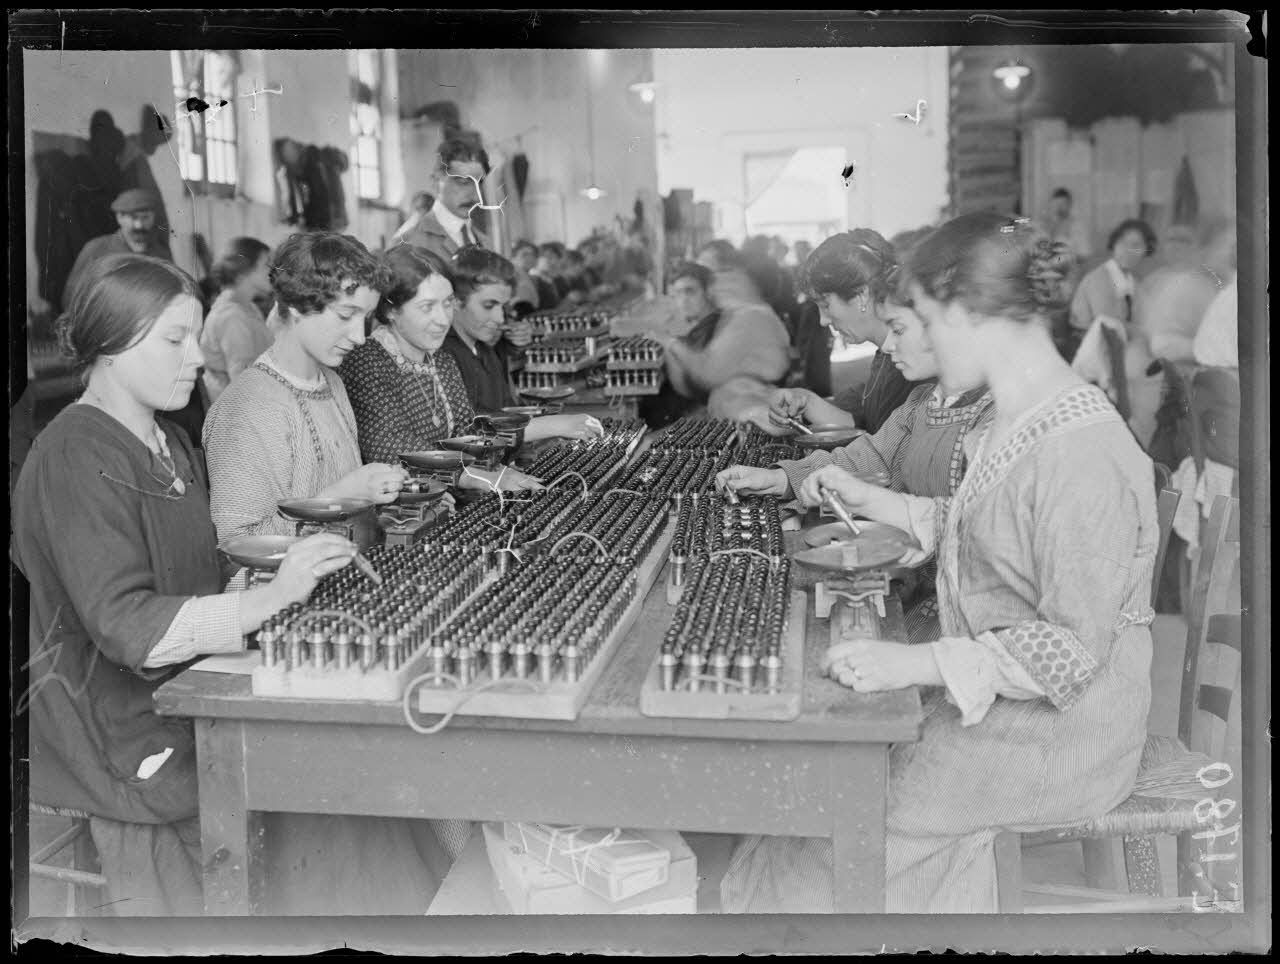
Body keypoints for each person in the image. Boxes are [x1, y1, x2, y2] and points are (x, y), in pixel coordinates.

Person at [719, 212, 1157, 915]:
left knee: (824, 848)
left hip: (1059, 736)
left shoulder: (1081, 451)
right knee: (809, 805)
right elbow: (975, 529)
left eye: (918, 317)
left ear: (965, 312)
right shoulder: (1001, 421)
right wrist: (870, 496)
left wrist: (916, 665)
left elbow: (1073, 650)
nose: (901, 343)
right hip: (996, 702)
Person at [13, 253, 443, 915]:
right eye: (175, 340)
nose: (197, 357)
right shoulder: (75, 455)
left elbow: (204, 573)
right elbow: (130, 629)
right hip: (120, 731)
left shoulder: (168, 444)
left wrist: (299, 555)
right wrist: (268, 597)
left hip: (188, 696)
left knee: (361, 788)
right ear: (111, 342)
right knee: (330, 807)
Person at [202, 232, 411, 544]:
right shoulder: (245, 409)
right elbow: (239, 544)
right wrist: (343, 496)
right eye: (345, 315)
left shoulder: (332, 382)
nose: (359, 336)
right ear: (298, 304)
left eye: (365, 318)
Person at [337, 243, 542, 489]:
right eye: (427, 307)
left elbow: (467, 430)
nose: (443, 319)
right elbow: (390, 445)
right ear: (391, 309)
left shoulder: (441, 360)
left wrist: (496, 466)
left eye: (447, 304)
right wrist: (477, 477)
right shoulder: (367, 360)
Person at [439, 246, 603, 442]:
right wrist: (552, 425)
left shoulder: (483, 349)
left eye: (504, 307)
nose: (500, 318)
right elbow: (466, 431)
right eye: (489, 306)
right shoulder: (443, 356)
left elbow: (501, 409)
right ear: (456, 302)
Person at [775, 230, 926, 435]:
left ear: (861, 295)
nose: (822, 320)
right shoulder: (886, 357)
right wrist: (805, 399)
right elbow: (865, 421)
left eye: (825, 305)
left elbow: (881, 447)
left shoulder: (913, 366)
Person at [657, 241, 789, 405]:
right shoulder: (737, 314)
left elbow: (707, 374)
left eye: (712, 274)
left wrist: (670, 344)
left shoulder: (750, 316)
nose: (712, 286)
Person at [62, 188, 173, 311]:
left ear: (153, 218)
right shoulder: (96, 249)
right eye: (134, 218)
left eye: (145, 217)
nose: (139, 225)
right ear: (119, 218)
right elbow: (72, 296)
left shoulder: (162, 255)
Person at [198, 237, 275, 404]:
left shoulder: (247, 307)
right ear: (245, 270)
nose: (272, 270)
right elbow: (244, 386)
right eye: (266, 265)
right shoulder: (232, 317)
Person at [1067, 217, 1157, 354]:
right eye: (1122, 244)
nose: (1128, 251)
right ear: (1114, 245)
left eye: (1136, 246)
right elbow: (1107, 326)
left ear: (1146, 250)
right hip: (1089, 348)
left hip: (1117, 347)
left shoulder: (1134, 282)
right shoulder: (1099, 278)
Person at [394, 138, 492, 260]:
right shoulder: (408, 245)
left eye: (479, 184)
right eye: (463, 182)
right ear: (436, 182)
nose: (476, 197)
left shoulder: (487, 244)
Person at [508, 238, 542, 316]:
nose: (530, 258)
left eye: (533, 255)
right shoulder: (512, 274)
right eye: (525, 254)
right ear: (513, 256)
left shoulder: (528, 276)